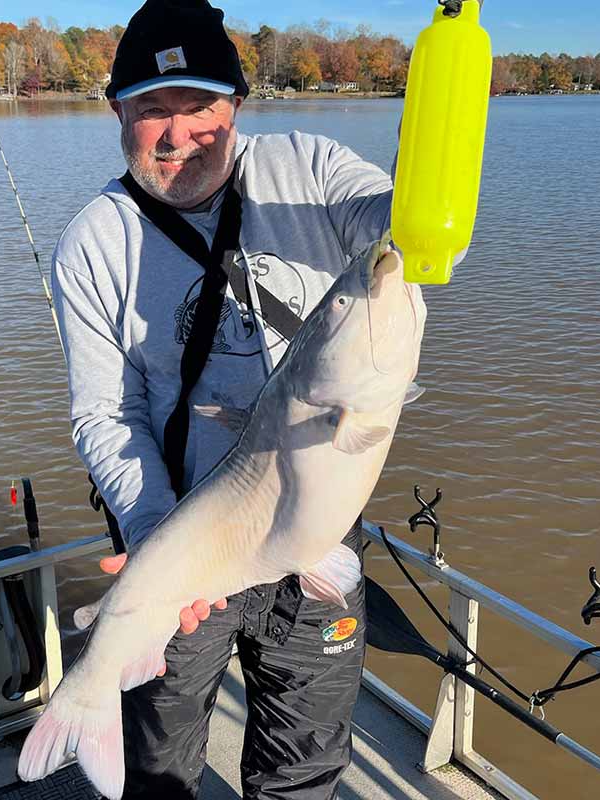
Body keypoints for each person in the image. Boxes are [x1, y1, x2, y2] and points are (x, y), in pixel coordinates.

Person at [52, 1, 417, 797]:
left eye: (201, 106)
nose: (180, 133)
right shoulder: (94, 242)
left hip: (312, 531)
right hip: (181, 536)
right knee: (160, 766)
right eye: (153, 109)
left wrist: (432, 184)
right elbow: (104, 414)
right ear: (118, 110)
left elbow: (405, 234)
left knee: (305, 766)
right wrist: (156, 540)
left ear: (237, 106)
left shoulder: (312, 170)